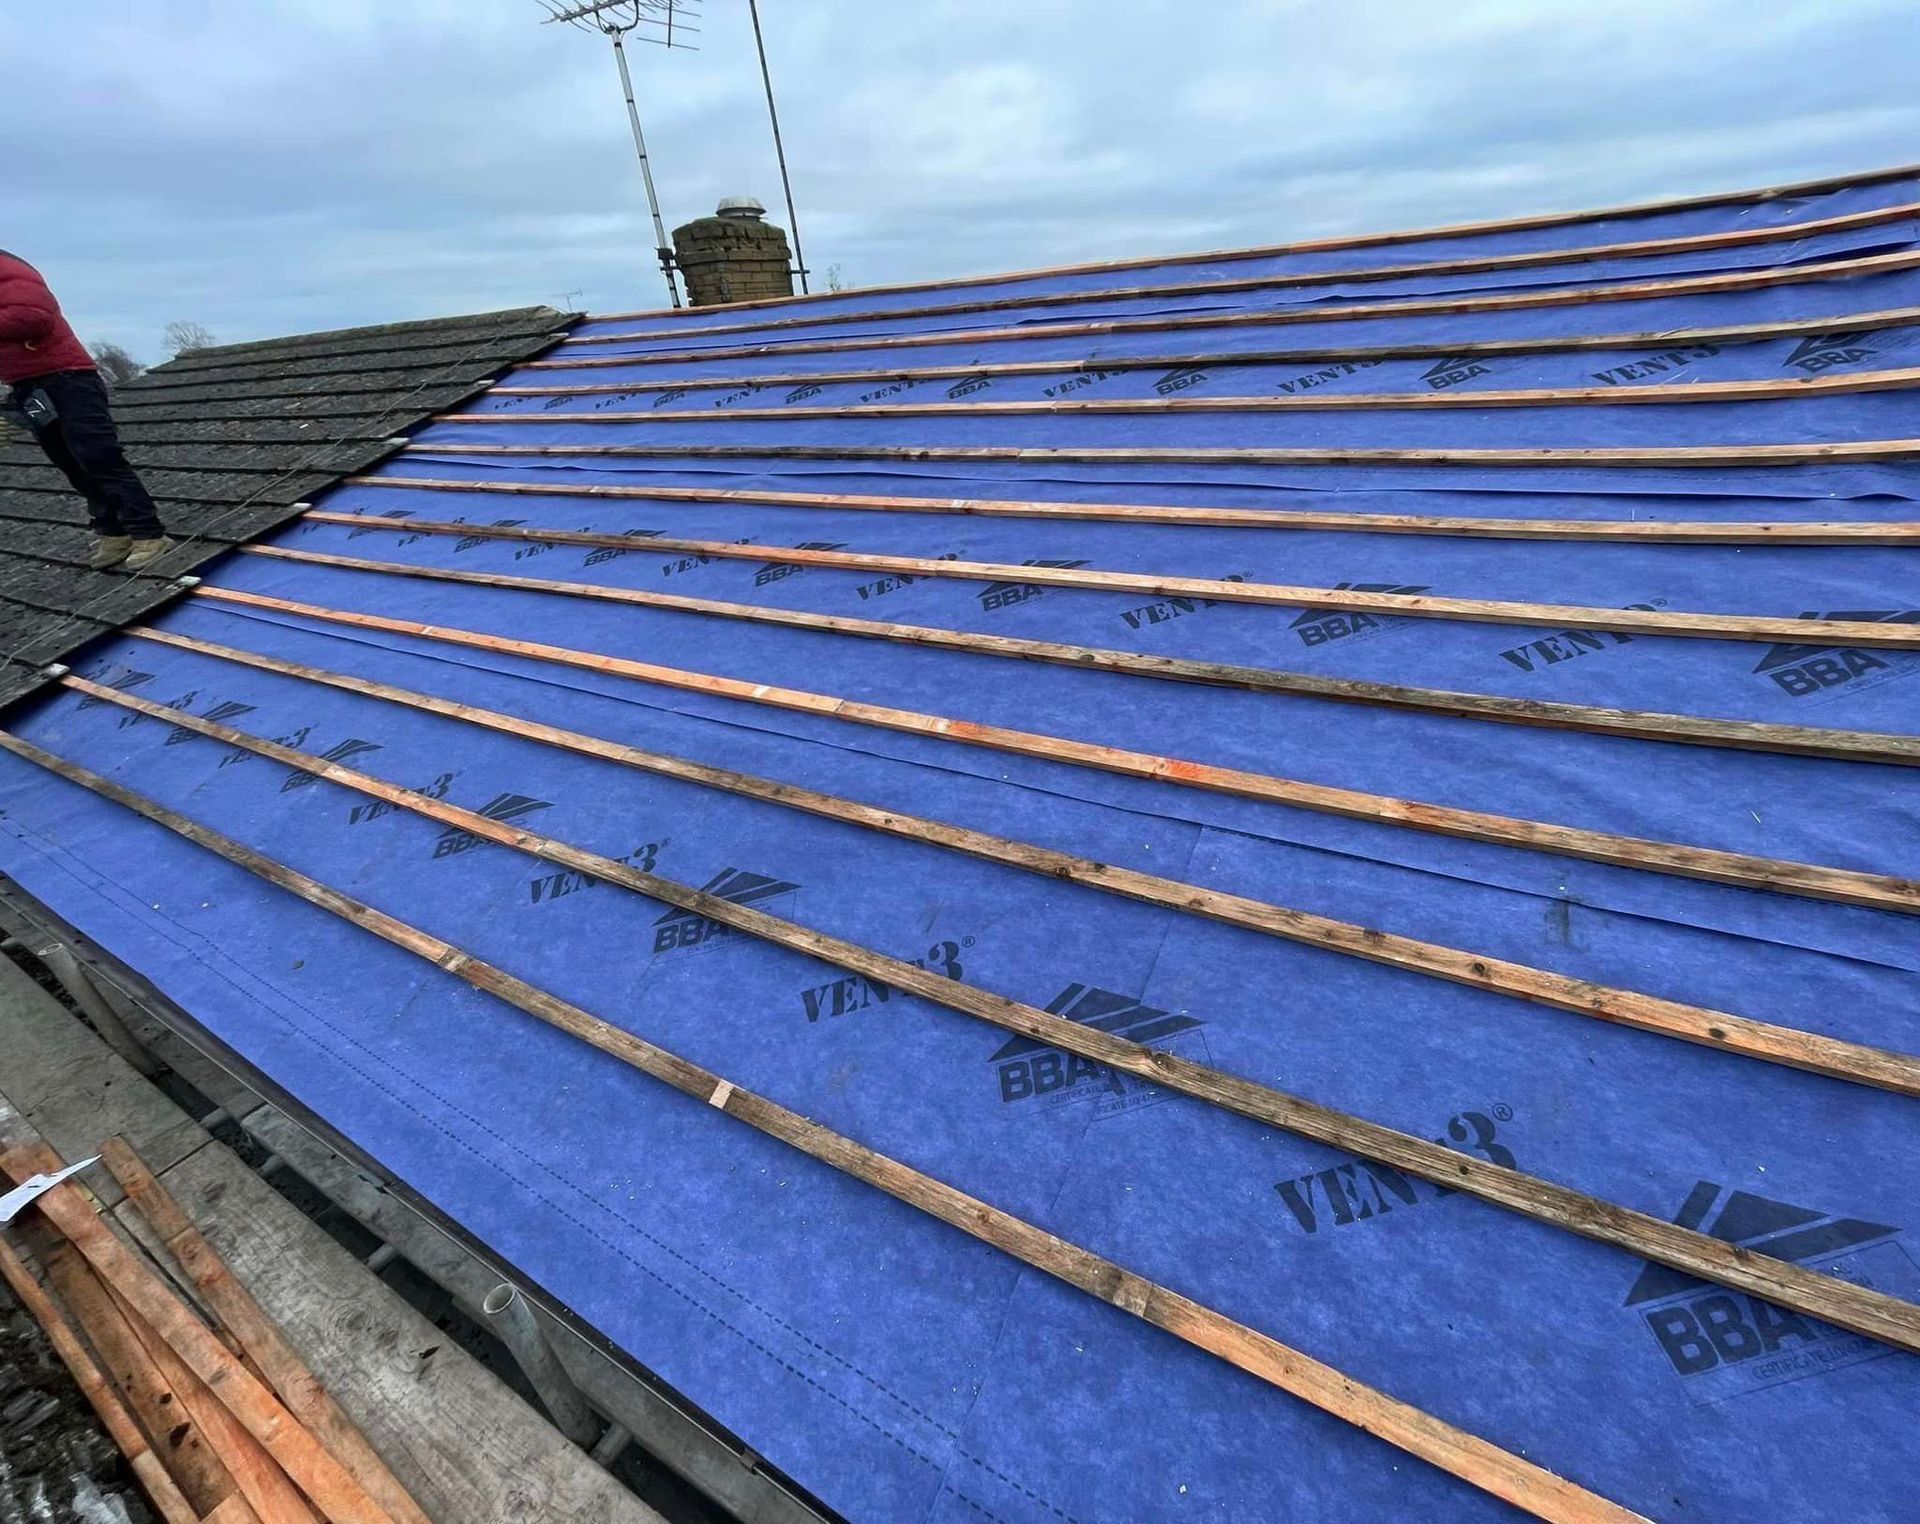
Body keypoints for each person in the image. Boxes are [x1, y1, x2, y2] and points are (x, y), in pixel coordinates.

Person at [0, 249, 172, 570]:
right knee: (69, 462)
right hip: (28, 385)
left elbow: (32, 318)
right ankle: (114, 530)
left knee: (98, 456)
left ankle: (148, 532)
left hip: (68, 378)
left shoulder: (9, 270)